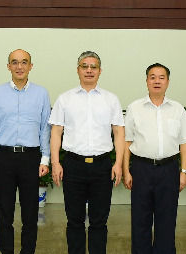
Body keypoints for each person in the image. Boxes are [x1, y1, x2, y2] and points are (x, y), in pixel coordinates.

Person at [49, 51, 125, 254]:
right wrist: (55, 163)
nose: (89, 70)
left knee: (99, 221)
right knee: (74, 221)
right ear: (78, 70)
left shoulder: (111, 99)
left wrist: (118, 163)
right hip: (73, 166)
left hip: (102, 166)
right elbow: (56, 132)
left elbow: (119, 132)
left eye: (93, 66)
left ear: (100, 71)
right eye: (84, 66)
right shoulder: (65, 99)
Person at [0, 50, 52, 254]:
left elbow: (45, 128)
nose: (19, 66)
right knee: (4, 212)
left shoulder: (41, 93)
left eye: (24, 62)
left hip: (31, 158)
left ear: (31, 66)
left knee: (30, 213)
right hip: (4, 157)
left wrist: (45, 159)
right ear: (8, 66)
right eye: (15, 62)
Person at [123, 63, 186, 254]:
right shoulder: (134, 108)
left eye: (161, 77)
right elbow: (127, 142)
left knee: (167, 221)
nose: (157, 81)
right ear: (147, 81)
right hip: (141, 169)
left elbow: (184, 143)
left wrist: (184, 172)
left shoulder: (177, 109)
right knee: (140, 221)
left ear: (168, 82)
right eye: (152, 77)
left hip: (168, 170)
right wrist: (126, 171)